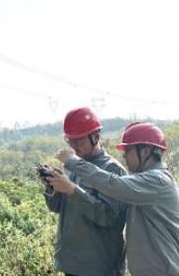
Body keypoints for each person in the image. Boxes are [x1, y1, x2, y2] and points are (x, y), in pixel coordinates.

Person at [50, 121, 179, 276]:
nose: (124, 155)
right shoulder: (144, 181)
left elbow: (112, 184)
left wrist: (73, 162)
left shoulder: (157, 181)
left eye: (128, 150)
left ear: (145, 151)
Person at [39, 107, 127, 276]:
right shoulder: (72, 166)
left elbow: (108, 216)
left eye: (79, 142)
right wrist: (52, 186)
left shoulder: (113, 170)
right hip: (72, 264)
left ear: (96, 136)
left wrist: (72, 190)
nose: (75, 147)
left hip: (99, 267)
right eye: (71, 142)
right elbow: (58, 208)